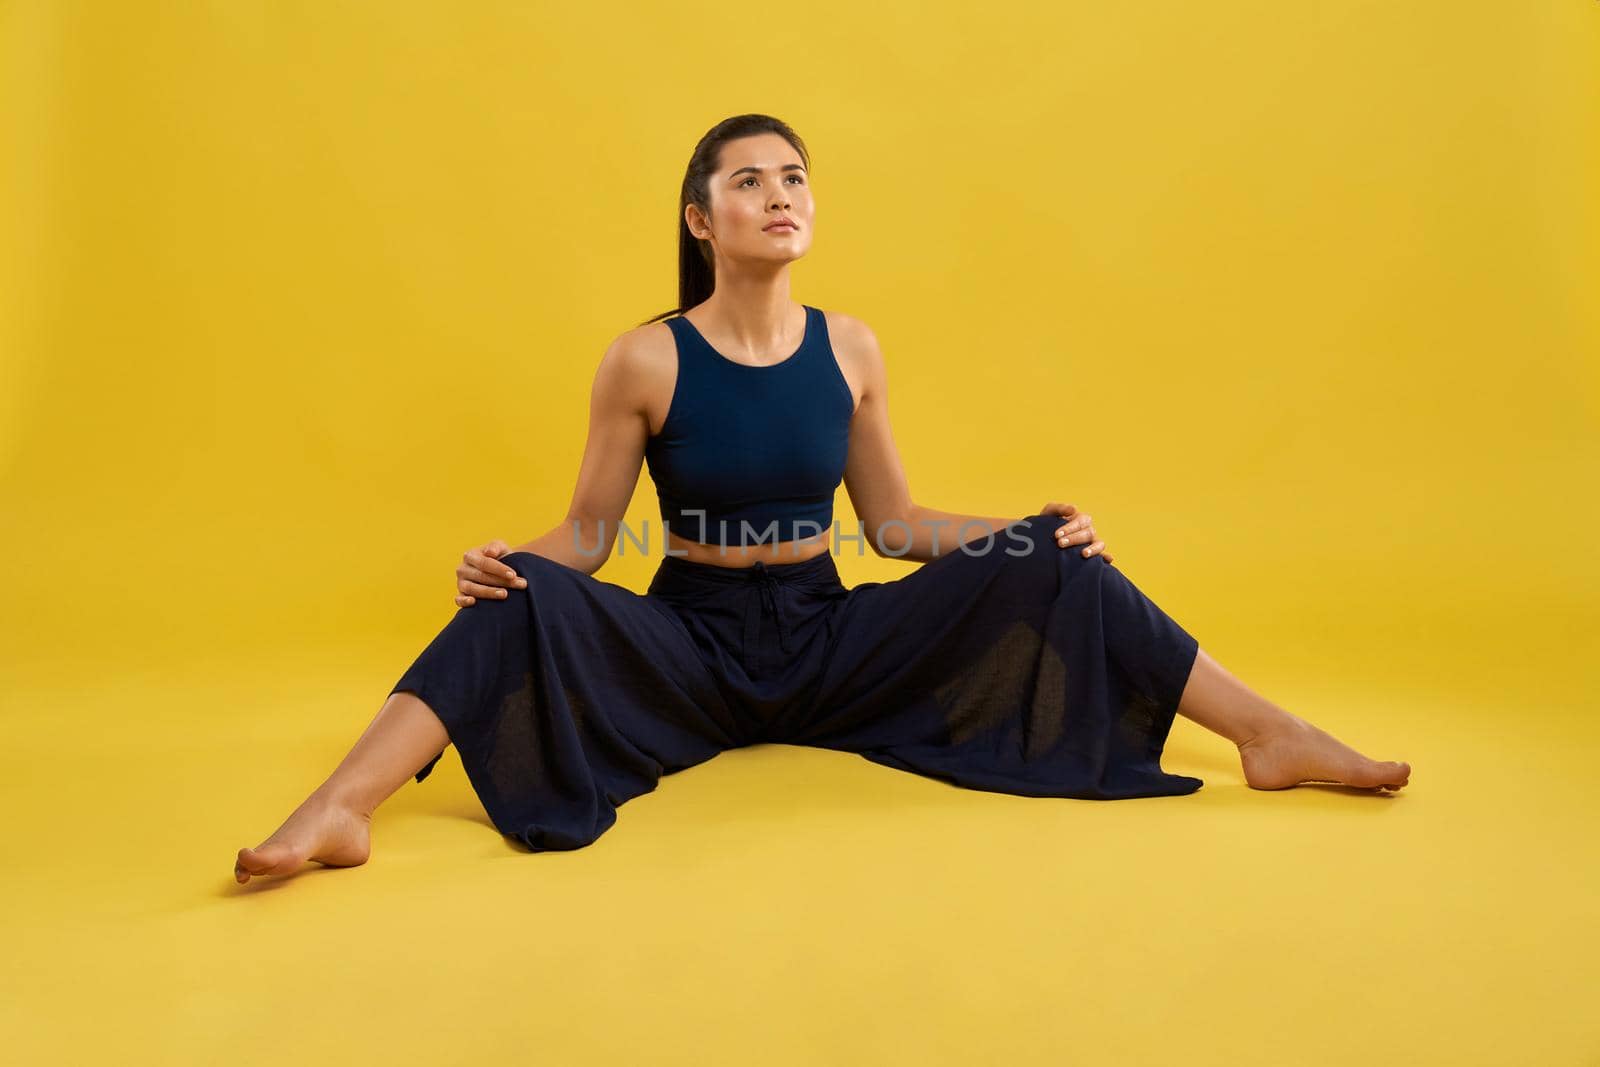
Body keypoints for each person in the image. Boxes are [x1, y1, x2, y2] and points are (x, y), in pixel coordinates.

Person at [235, 114, 1409, 885]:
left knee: (1057, 553)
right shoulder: (642, 359)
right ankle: (340, 805)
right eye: (748, 181)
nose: (778, 194)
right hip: (685, 643)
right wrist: (509, 561)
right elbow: (590, 539)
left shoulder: (849, 345)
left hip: (826, 635)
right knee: (514, 597)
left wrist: (1022, 532)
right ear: (703, 220)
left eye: (793, 177)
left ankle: (1266, 733)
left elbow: (894, 525)